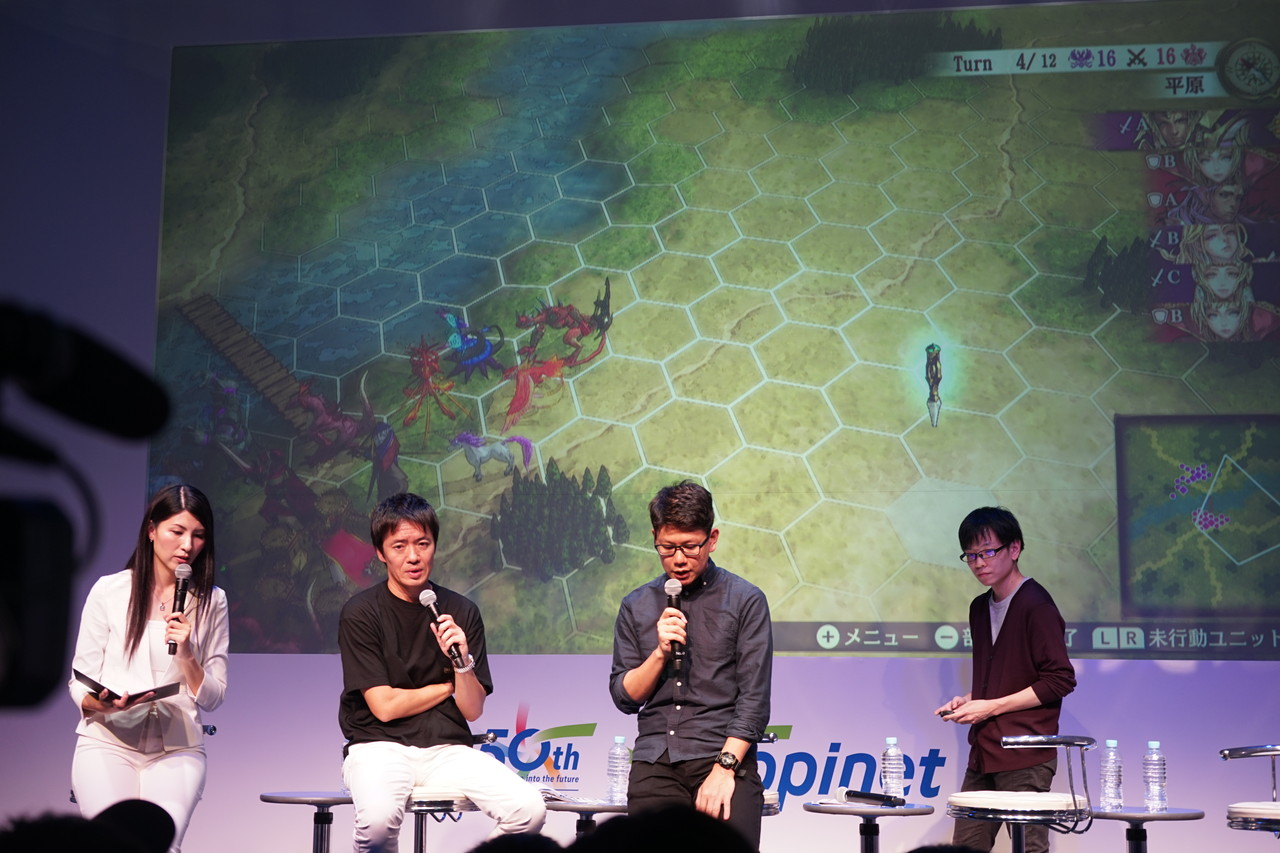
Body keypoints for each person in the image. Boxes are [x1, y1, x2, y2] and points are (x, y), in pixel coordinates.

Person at [338, 492, 544, 852]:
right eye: (399, 546)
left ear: (435, 545)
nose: (413, 556)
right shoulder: (361, 613)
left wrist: (462, 662)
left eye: (423, 544)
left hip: (448, 749)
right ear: (381, 553)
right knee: (377, 825)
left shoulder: (461, 611)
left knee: (528, 810)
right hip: (379, 747)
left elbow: (472, 710)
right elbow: (385, 706)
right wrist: (447, 686)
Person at [609, 481, 772, 850]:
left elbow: (754, 700)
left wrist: (724, 770)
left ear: (711, 539)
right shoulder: (636, 605)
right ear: (655, 538)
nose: (678, 559)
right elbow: (624, 697)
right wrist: (659, 653)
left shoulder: (745, 600)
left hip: (722, 756)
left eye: (689, 546)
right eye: (667, 548)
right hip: (655, 761)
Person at [68, 483, 229, 853]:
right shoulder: (110, 591)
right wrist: (100, 703)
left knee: (162, 847)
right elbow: (78, 680)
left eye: (198, 535)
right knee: (110, 845)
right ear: (152, 530)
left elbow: (214, 696)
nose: (187, 545)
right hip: (107, 742)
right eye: (177, 531)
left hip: (178, 748)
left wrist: (187, 654)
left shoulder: (212, 601)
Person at [934, 507, 1076, 853]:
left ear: (1014, 548)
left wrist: (990, 706)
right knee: (964, 848)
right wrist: (971, 699)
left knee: (1029, 849)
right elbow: (1005, 676)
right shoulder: (979, 607)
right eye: (970, 555)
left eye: (987, 552)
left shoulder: (1036, 605)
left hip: (1025, 754)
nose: (979, 563)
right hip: (984, 751)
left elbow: (1060, 679)